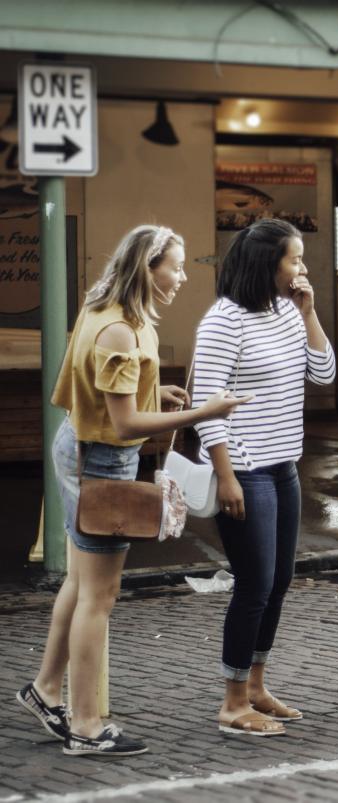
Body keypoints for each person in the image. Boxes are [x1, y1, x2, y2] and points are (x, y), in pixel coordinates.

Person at [18, 225, 246, 757]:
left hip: (83, 447)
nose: (183, 277)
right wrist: (205, 411)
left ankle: (47, 689)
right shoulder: (120, 330)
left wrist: (153, 390)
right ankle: (85, 725)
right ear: (147, 267)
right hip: (99, 459)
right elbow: (122, 427)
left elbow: (102, 399)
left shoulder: (109, 313)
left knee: (79, 584)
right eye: (177, 266)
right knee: (100, 595)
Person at [193, 218, 335, 736]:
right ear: (266, 264)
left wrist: (310, 311)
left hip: (284, 467)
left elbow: (323, 375)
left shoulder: (287, 313)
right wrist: (225, 475)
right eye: (294, 259)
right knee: (254, 583)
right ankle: (232, 701)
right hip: (246, 470)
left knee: (279, 582)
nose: (302, 267)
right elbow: (205, 405)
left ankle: (256, 685)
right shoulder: (223, 321)